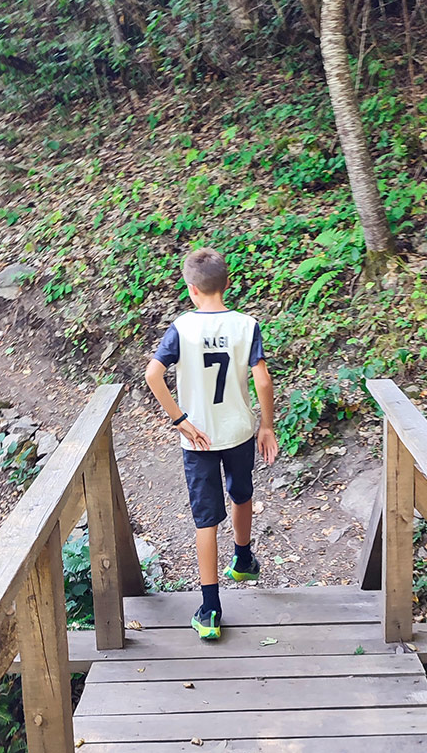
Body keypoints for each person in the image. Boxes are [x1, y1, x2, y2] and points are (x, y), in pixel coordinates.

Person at [145, 247, 278, 640]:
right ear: (228, 283)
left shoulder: (181, 328)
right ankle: (242, 557)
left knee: (206, 519)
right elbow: (264, 381)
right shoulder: (246, 325)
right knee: (241, 493)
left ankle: (210, 609)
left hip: (199, 439)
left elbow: (153, 375)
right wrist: (266, 427)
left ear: (191, 290)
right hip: (237, 430)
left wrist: (180, 420)